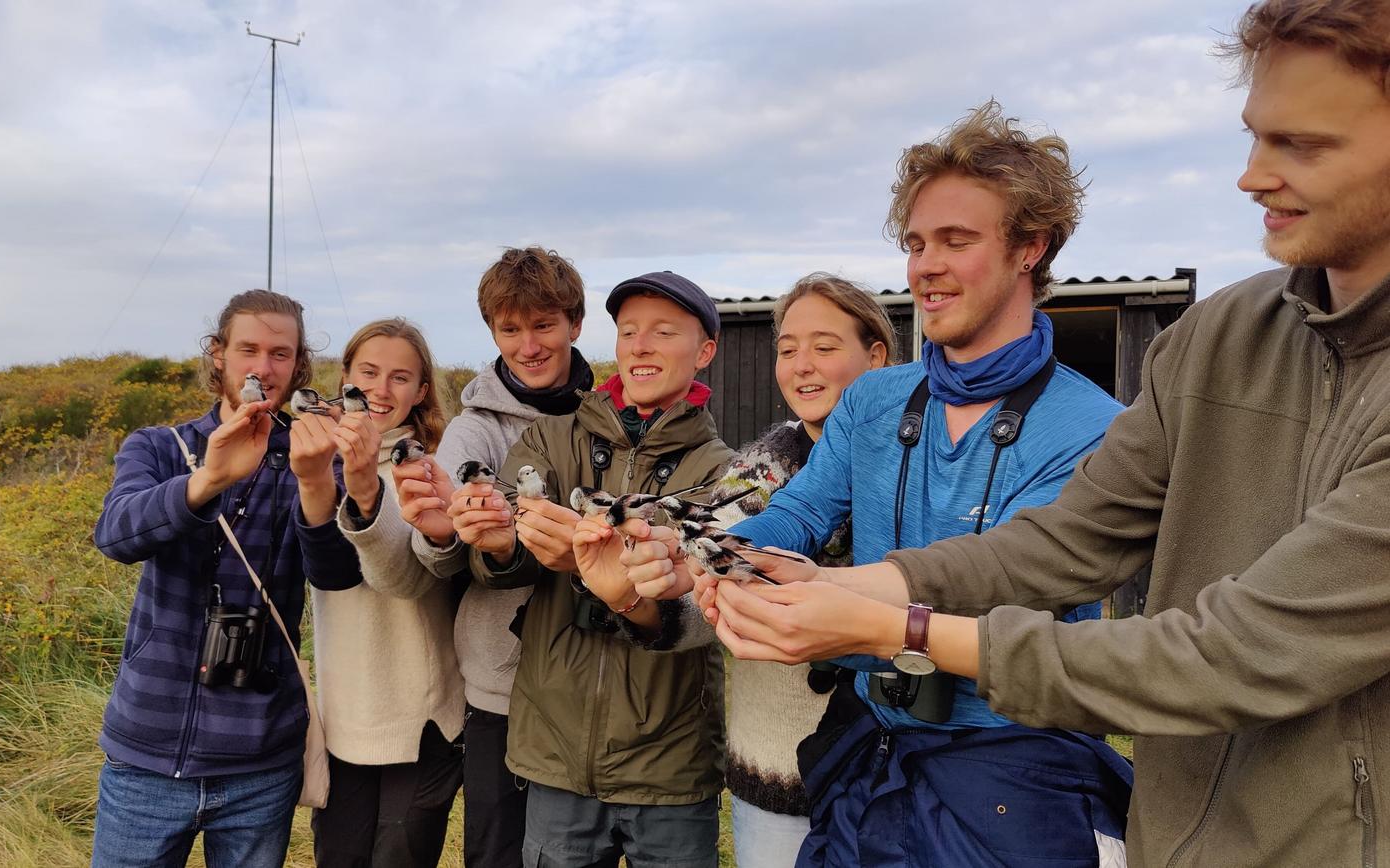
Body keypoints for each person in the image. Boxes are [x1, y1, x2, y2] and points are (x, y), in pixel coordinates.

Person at [700, 3, 1390, 865]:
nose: (1251, 176)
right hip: (1165, 827)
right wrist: (761, 568)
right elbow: (1059, 547)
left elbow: (1231, 655)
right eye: (1255, 137)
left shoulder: (1089, 421)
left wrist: (892, 628)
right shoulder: (1217, 337)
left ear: (1030, 249)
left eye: (1305, 144)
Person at [625, 101, 1134, 866]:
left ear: (1031, 247)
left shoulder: (1094, 428)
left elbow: (1024, 588)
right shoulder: (873, 400)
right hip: (865, 755)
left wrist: (858, 614)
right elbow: (799, 510)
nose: (925, 266)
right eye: (916, 243)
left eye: (956, 240)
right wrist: (701, 553)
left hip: (1013, 772)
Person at [461, 272, 733, 868]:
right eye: (629, 330)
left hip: (672, 763)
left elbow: (709, 607)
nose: (640, 345)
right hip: (556, 753)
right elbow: (498, 558)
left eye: (664, 331)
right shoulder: (550, 438)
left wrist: (628, 592)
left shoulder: (723, 473)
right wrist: (500, 541)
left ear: (705, 351)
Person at [91, 289, 358, 868]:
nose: (263, 368)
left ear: (298, 366)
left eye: (281, 354)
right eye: (249, 349)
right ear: (219, 353)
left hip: (260, 762)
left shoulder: (310, 456)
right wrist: (207, 479)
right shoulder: (161, 447)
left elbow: (335, 576)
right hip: (146, 753)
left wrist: (316, 484)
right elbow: (114, 535)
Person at [389, 247, 595, 868]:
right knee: (497, 849)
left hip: (591, 679)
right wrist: (444, 531)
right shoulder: (473, 432)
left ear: (575, 325)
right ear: (492, 332)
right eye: (510, 329)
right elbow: (439, 562)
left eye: (543, 325)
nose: (528, 345)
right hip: (500, 688)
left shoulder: (608, 417)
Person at [702, 274, 895, 867]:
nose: (802, 365)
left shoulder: (915, 459)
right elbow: (701, 572)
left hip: (899, 766)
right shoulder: (758, 468)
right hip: (780, 769)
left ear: (877, 355)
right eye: (788, 349)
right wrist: (653, 584)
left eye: (825, 346)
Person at [307, 317, 463, 867]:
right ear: (345, 376)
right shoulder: (312, 460)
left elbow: (410, 578)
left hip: (421, 717)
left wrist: (368, 491)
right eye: (368, 372)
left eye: (401, 377)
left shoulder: (435, 467)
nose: (380, 389)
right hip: (344, 713)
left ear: (422, 392)